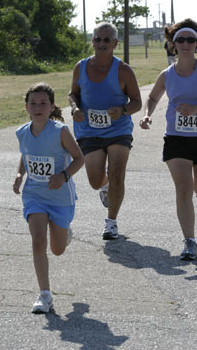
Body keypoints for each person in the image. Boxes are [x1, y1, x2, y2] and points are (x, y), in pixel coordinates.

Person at [139, 18, 197, 261]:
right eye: (181, 40)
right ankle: (190, 241)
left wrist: (196, 109)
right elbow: (154, 98)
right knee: (183, 189)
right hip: (176, 137)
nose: (186, 44)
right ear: (173, 44)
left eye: (190, 40)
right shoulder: (167, 74)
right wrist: (147, 115)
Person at [13, 83, 84, 313]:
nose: (37, 107)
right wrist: (19, 174)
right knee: (37, 241)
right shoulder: (22, 132)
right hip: (34, 196)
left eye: (43, 103)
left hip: (60, 197)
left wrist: (63, 176)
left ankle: (64, 234)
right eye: (33, 103)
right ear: (26, 107)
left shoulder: (60, 131)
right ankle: (45, 294)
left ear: (52, 106)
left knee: (57, 249)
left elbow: (79, 159)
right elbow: (25, 155)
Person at [69, 22, 142, 240]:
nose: (101, 44)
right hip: (89, 130)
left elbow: (137, 102)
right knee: (94, 180)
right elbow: (73, 94)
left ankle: (111, 223)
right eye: (97, 39)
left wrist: (123, 110)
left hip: (118, 130)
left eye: (106, 40)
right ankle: (105, 186)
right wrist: (74, 108)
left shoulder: (123, 70)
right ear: (92, 41)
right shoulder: (80, 67)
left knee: (117, 173)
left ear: (115, 43)